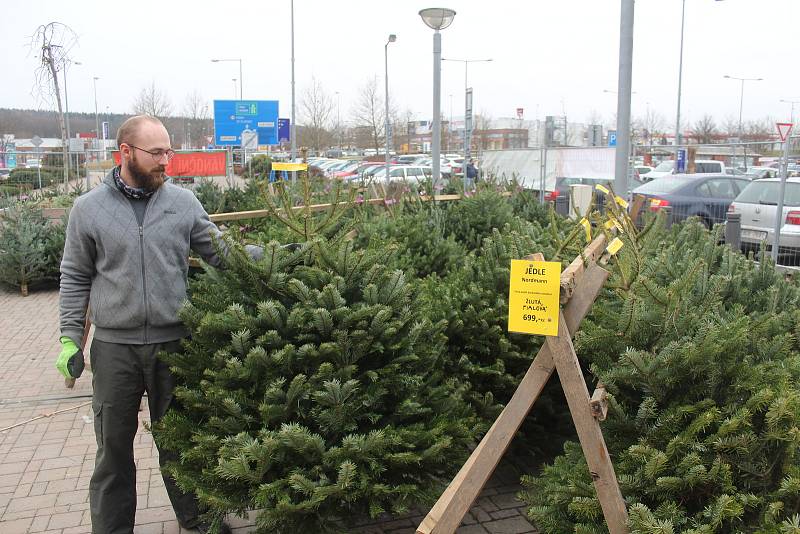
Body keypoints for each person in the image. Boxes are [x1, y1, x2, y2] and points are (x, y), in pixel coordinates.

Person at [56, 115, 256, 534]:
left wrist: (278, 255)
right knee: (112, 451)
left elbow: (224, 253)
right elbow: (74, 276)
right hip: (115, 351)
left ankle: (199, 519)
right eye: (157, 153)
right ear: (125, 152)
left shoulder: (182, 204)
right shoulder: (88, 210)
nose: (167, 161)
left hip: (175, 345)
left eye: (169, 151)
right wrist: (70, 339)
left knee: (182, 443)